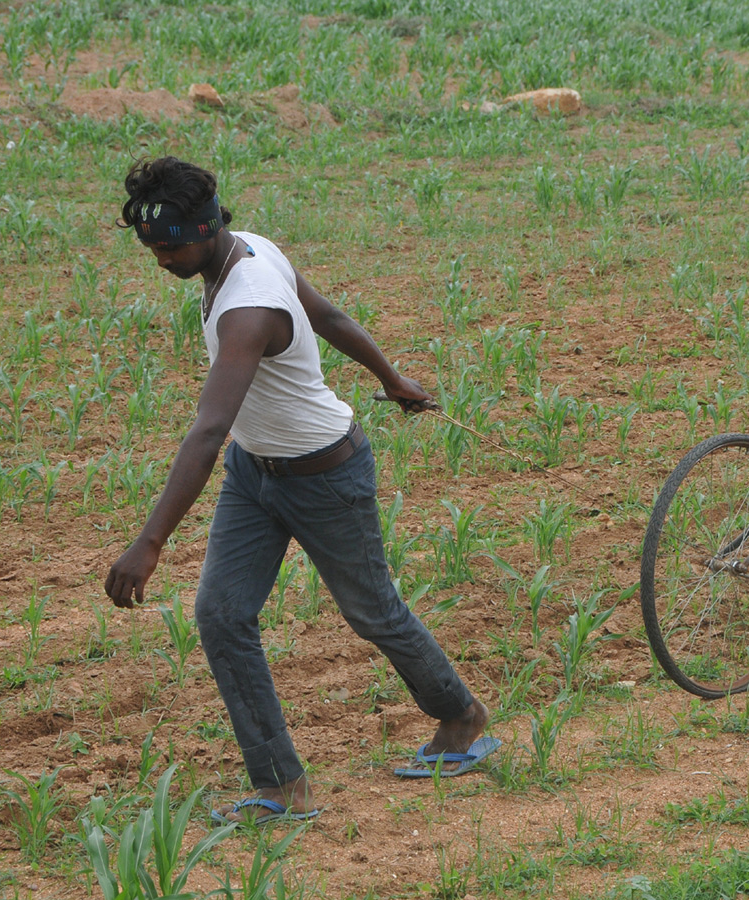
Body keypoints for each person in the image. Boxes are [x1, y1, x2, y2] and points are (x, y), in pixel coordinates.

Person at [105, 157, 493, 824]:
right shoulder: (247, 249)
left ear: (203, 229)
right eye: (150, 247)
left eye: (168, 246)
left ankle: (462, 719)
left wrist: (150, 541)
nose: (160, 259)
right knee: (222, 616)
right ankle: (282, 786)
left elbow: (208, 431)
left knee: (373, 612)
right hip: (256, 475)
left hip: (324, 477)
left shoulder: (247, 306)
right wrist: (392, 378)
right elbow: (330, 318)